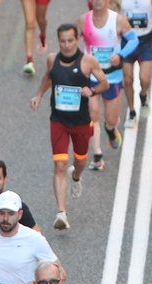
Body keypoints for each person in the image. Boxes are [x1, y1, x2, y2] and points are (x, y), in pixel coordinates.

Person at [31, 26, 108, 230]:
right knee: (59, 165)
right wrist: (38, 95)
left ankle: (76, 177)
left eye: (70, 41)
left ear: (76, 40)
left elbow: (104, 84)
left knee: (80, 161)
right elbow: (48, 77)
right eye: (63, 41)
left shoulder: (87, 61)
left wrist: (90, 91)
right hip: (59, 121)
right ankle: (62, 213)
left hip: (82, 122)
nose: (66, 45)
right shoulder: (52, 59)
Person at [82, 0, 141, 172]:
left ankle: (110, 129)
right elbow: (70, 41)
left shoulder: (118, 20)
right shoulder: (83, 20)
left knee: (111, 119)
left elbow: (133, 40)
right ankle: (97, 155)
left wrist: (120, 55)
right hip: (92, 76)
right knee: (93, 115)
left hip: (112, 77)